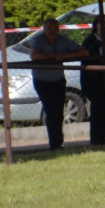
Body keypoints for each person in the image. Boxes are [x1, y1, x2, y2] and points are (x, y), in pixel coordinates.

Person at [29, 17, 88, 151]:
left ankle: (59, 142)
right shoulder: (38, 40)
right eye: (49, 28)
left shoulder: (62, 40)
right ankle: (54, 144)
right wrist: (54, 56)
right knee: (51, 112)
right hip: (42, 82)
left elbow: (84, 51)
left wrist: (65, 55)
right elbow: (35, 55)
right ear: (44, 29)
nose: (52, 31)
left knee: (59, 113)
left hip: (58, 81)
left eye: (55, 28)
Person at [80, 14, 105, 145]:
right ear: (95, 25)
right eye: (102, 22)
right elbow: (87, 55)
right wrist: (99, 44)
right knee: (98, 109)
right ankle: (97, 138)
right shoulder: (90, 39)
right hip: (95, 78)